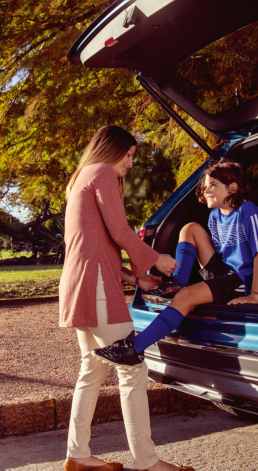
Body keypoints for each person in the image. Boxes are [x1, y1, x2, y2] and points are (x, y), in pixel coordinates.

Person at [59, 126, 192, 471]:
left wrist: (137, 278)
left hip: (80, 282)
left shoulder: (80, 179)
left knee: (93, 367)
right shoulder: (102, 172)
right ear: (111, 149)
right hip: (96, 285)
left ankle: (79, 456)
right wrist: (156, 259)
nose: (131, 163)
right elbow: (120, 232)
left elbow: (94, 245)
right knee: (132, 368)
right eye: (129, 154)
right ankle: (148, 463)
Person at [91, 159, 258, 370]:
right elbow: (216, 254)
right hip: (226, 273)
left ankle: (134, 348)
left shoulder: (248, 210)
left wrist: (255, 295)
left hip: (243, 280)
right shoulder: (214, 216)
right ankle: (177, 283)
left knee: (185, 297)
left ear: (232, 188)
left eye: (213, 185)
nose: (207, 191)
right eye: (205, 187)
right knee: (190, 228)